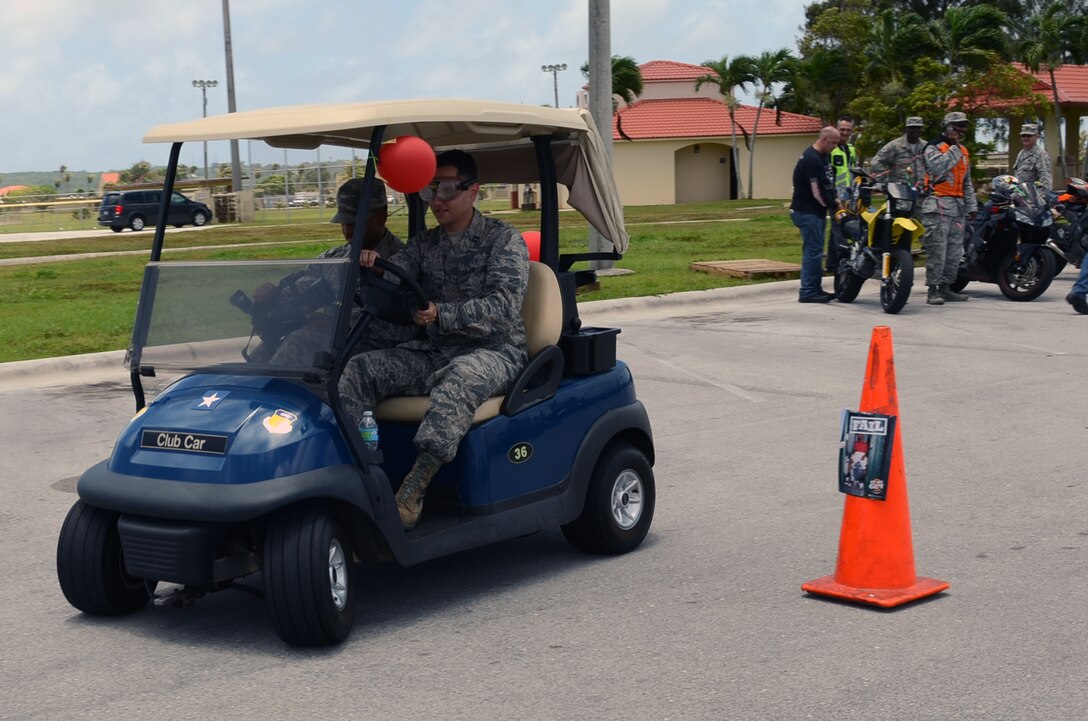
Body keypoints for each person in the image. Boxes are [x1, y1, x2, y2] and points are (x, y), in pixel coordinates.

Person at [337, 150, 530, 529]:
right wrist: (371, 268)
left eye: (445, 189)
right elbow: (396, 276)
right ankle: (367, 467)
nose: (437, 200)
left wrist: (443, 313)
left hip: (493, 351)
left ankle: (414, 487)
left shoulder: (503, 240)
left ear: (473, 191)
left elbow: (504, 306)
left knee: (459, 379)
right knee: (359, 369)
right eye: (430, 190)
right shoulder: (426, 245)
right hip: (436, 349)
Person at [264, 178, 418, 366]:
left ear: (381, 216)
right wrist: (272, 295)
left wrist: (336, 325)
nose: (347, 229)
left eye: (354, 222)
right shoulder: (336, 257)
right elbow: (300, 285)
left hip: (376, 353)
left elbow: (404, 328)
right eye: (343, 222)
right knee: (265, 350)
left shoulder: (404, 260)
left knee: (299, 343)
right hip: (335, 343)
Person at [921, 111, 977, 305]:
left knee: (954, 252)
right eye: (957, 126)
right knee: (938, 250)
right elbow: (938, 168)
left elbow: (967, 181)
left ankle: (946, 287)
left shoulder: (964, 151)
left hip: (958, 206)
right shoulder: (934, 147)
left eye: (963, 126)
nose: (960, 130)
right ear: (947, 127)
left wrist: (971, 205)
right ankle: (933, 290)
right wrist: (953, 148)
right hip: (938, 204)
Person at [790, 126, 841, 303]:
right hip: (807, 211)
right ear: (825, 139)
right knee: (812, 252)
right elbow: (816, 191)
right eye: (833, 143)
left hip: (815, 212)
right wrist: (832, 205)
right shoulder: (812, 159)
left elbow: (827, 182)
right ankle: (808, 291)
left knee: (816, 251)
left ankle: (815, 288)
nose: (835, 146)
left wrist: (834, 197)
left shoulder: (823, 157)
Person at [826, 116, 858, 273]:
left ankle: (831, 265)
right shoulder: (830, 149)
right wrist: (832, 196)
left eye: (848, 130)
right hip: (835, 197)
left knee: (836, 230)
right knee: (841, 230)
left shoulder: (851, 149)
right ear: (836, 129)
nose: (845, 132)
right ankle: (841, 265)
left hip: (850, 197)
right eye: (842, 129)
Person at [869, 116, 927, 185]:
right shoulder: (895, 145)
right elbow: (876, 162)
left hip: (921, 188)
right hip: (899, 189)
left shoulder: (926, 146)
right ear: (906, 129)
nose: (916, 130)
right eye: (912, 128)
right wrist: (885, 180)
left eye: (918, 128)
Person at [1012, 123, 1053, 191]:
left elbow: (1045, 178)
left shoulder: (1041, 154)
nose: (1025, 138)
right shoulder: (1021, 153)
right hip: (1021, 193)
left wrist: (1044, 196)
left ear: (1036, 136)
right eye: (1023, 136)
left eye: (1029, 136)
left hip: (1033, 196)